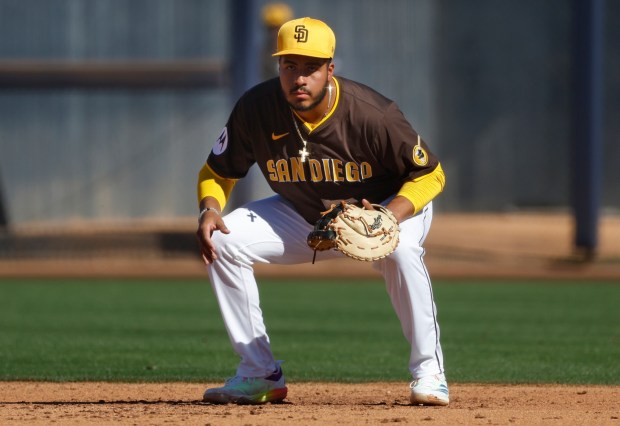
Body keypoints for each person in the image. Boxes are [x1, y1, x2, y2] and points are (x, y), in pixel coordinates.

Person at [196, 17, 448, 406]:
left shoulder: (371, 115)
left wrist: (387, 217)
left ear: (330, 69)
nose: (299, 78)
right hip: (305, 213)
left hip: (384, 207)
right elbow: (217, 171)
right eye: (289, 66)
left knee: (400, 251)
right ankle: (259, 373)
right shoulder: (257, 108)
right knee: (223, 239)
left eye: (310, 68)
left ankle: (429, 373)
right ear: (278, 67)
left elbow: (430, 174)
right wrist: (210, 208)